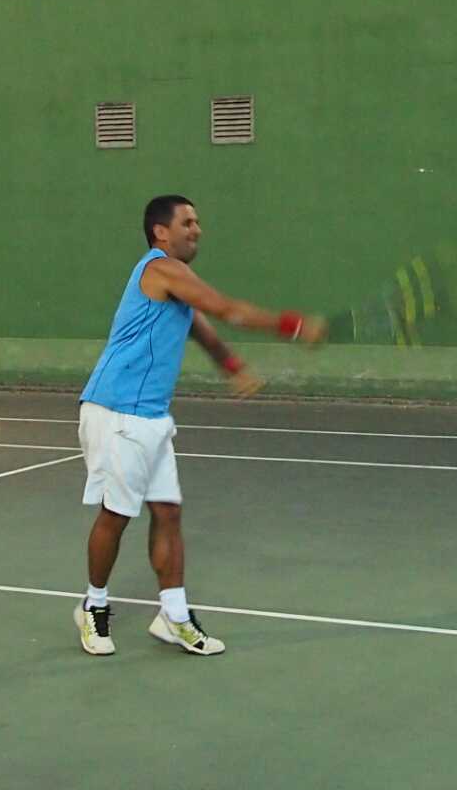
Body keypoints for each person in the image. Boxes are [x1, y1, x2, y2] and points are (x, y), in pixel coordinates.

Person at [73, 194, 325, 656]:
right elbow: (226, 308)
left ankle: (173, 616)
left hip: (150, 414)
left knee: (168, 512)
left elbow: (201, 327)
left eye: (198, 222)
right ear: (160, 232)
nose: (197, 230)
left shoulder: (178, 285)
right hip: (116, 410)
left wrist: (231, 365)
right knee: (117, 514)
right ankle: (93, 605)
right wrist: (292, 325)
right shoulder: (160, 269)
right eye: (187, 222)